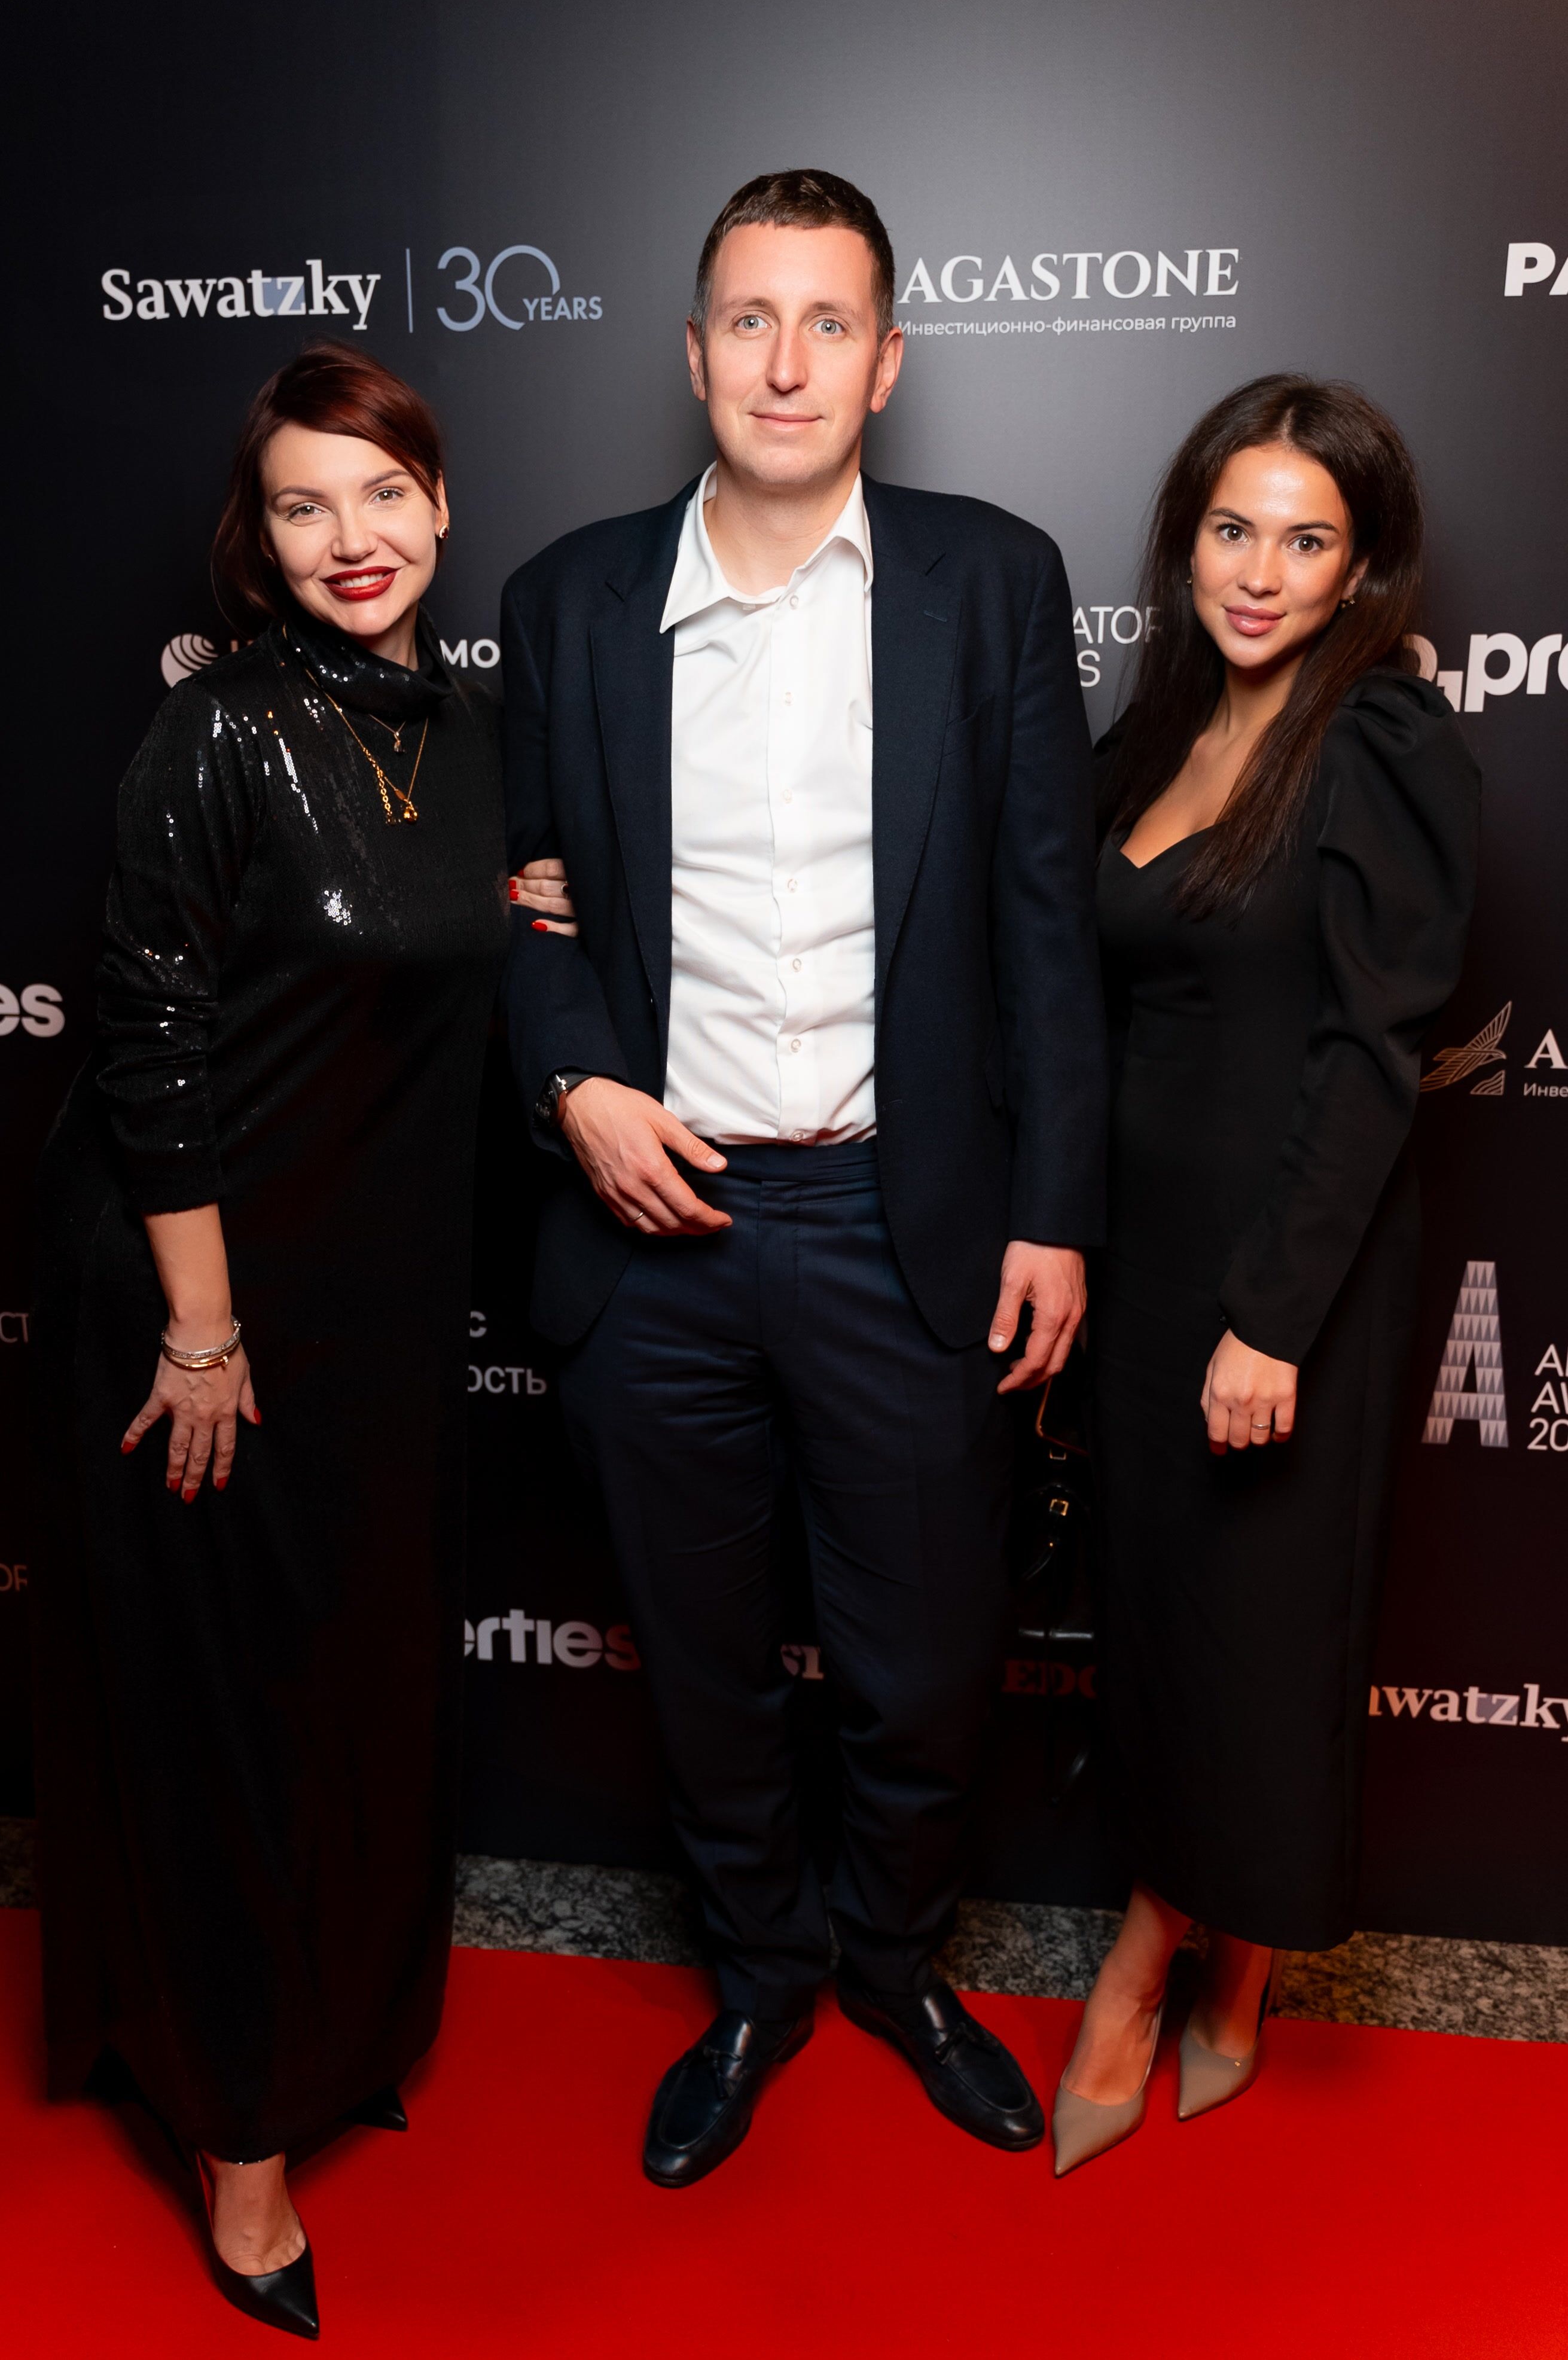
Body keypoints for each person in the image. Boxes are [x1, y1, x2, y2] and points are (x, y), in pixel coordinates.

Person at [500, 169, 1107, 2186]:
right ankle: (760, 1976)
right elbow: (521, 910)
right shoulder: (569, 599)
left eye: (828, 322)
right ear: (695, 355)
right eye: (750, 321)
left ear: (887, 361)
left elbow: (1044, 928)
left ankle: (898, 1967)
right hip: (649, 1229)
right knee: (700, 1669)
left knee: (922, 1666)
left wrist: (1054, 1209)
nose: (786, 363)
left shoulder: (991, 581)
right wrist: (576, 1083)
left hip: (898, 1223)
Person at [30, 342, 569, 2334]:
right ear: (257, 544)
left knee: (354, 1685)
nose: (352, 537)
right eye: (302, 504)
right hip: (205, 1294)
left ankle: (339, 2037)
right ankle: (237, 2127)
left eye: (383, 493)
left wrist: (532, 906)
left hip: (381, 1300)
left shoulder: (478, 733)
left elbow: (456, 956)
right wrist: (199, 1330)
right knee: (228, 1714)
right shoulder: (214, 736)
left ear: (441, 506)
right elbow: (148, 1038)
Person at [1054, 376, 1479, 2174]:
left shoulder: (1379, 740)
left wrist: (1272, 1320)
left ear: (1359, 569)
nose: (1260, 571)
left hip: (1289, 1280)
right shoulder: (1154, 732)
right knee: (1167, 1629)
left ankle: (1159, 1968)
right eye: (1235, 529)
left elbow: (1374, 1057)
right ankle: (1231, 1954)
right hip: (1144, 1273)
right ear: (1189, 537)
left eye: (1308, 542)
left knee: (1258, 1637)